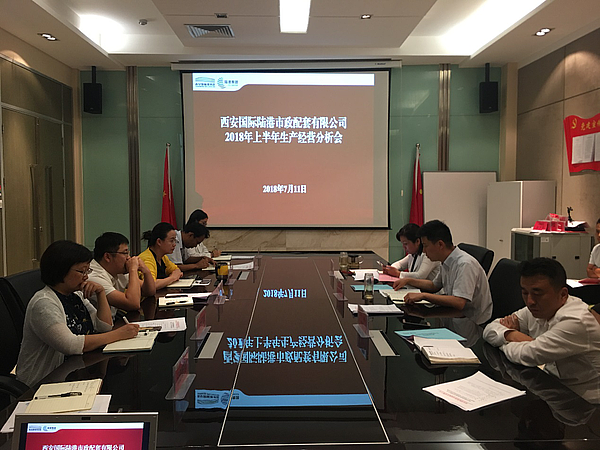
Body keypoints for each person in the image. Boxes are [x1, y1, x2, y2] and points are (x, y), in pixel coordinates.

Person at [16, 240, 140, 387]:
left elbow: (104, 327)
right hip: (42, 384)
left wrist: (101, 293)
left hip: (74, 374)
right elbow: (71, 344)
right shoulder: (44, 303)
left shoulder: (75, 295)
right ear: (61, 270)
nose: (86, 277)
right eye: (82, 271)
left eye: (88, 271)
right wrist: (119, 334)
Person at [483, 258, 600, 403]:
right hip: (552, 387)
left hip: (584, 403)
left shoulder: (575, 321)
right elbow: (490, 329)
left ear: (563, 294)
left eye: (537, 293)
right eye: (525, 293)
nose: (530, 301)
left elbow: (527, 355)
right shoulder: (536, 309)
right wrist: (512, 334)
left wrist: (514, 342)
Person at [392, 220, 492, 324]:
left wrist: (424, 296)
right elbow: (434, 285)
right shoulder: (446, 260)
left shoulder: (465, 264)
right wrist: (408, 281)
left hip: (471, 322)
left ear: (440, 244)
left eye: (425, 246)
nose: (424, 251)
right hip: (453, 316)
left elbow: (459, 302)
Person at [88, 232, 156, 316]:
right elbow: (133, 304)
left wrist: (146, 271)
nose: (129, 257)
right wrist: (133, 270)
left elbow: (150, 291)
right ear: (107, 257)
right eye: (125, 253)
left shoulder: (117, 269)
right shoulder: (94, 276)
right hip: (101, 324)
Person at [139, 222, 183, 290]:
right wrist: (172, 278)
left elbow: (176, 270)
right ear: (159, 242)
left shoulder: (162, 257)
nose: (174, 244)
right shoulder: (147, 258)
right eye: (171, 241)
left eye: (175, 241)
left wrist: (173, 277)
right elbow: (151, 285)